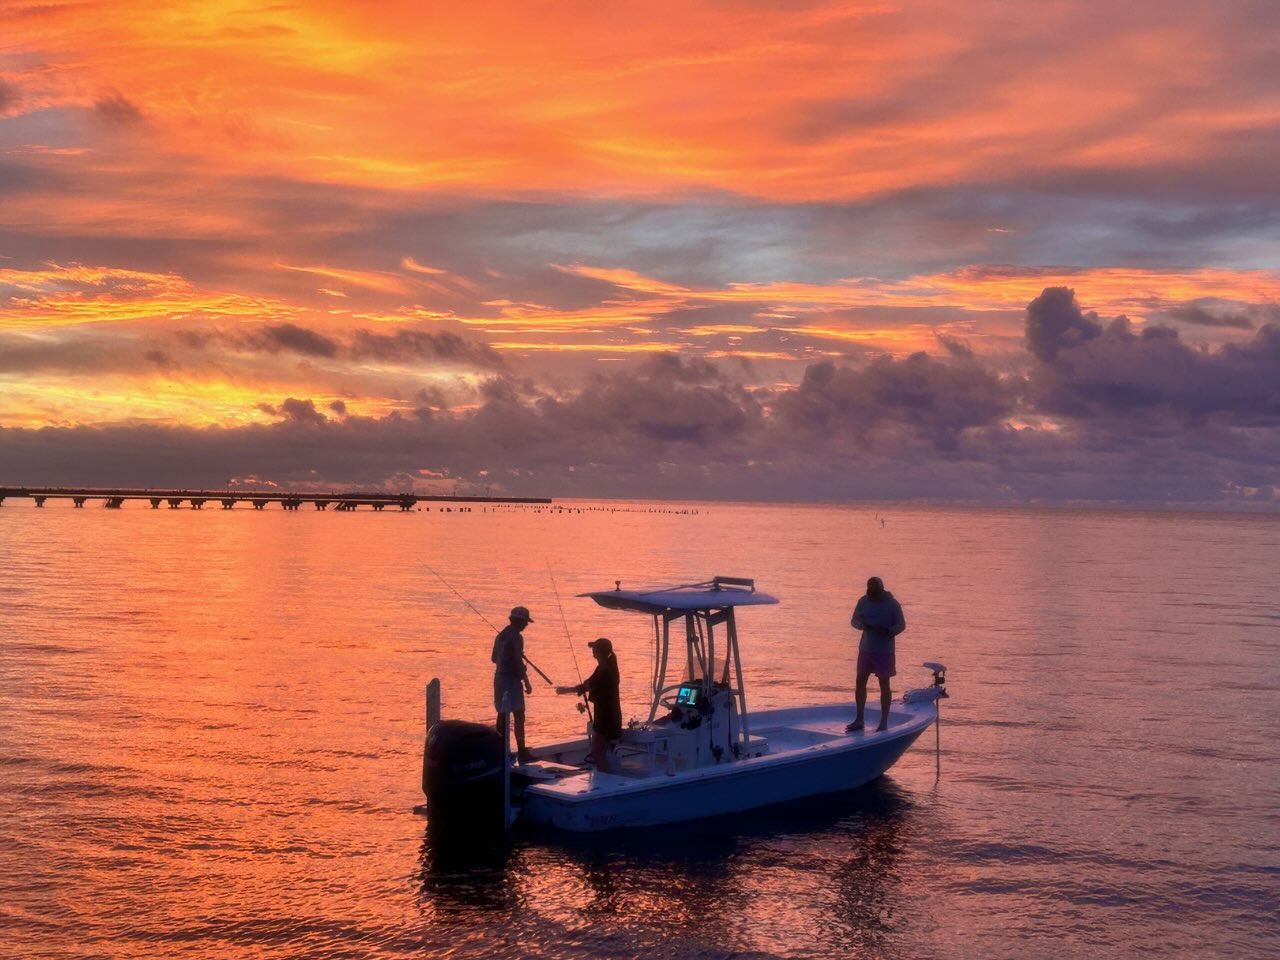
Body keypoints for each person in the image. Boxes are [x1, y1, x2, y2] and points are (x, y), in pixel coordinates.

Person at [847, 576, 906, 733]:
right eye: (870, 590)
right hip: (866, 648)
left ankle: (883, 722)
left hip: (884, 650)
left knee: (884, 685)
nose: (872, 594)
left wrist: (887, 630)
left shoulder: (892, 604)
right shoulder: (863, 601)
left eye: (875, 590)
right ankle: (859, 719)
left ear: (881, 588)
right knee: (860, 682)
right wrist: (862, 625)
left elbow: (901, 624)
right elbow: (854, 620)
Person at [556, 637, 621, 772]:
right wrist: (566, 690)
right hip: (604, 716)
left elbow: (588, 685)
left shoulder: (606, 670)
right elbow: (587, 685)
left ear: (600, 652)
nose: (592, 651)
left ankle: (606, 780)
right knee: (598, 752)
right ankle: (604, 776)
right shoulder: (603, 667)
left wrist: (566, 690)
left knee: (597, 754)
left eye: (595, 648)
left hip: (606, 718)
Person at [492, 605, 535, 764]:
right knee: (519, 715)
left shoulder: (500, 635)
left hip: (499, 679)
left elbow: (494, 658)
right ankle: (522, 751)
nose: (526, 625)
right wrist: (526, 680)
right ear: (520, 621)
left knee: (502, 715)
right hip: (511, 680)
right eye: (525, 622)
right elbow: (517, 662)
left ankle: (500, 750)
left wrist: (508, 656)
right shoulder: (517, 637)